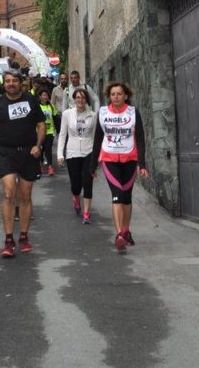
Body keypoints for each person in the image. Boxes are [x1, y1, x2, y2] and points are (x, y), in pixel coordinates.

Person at [0, 69, 45, 258]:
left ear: (20, 83)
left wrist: (38, 145)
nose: (10, 84)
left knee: (25, 195)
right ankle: (9, 239)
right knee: (9, 192)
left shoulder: (31, 100)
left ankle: (24, 236)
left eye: (14, 80)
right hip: (6, 152)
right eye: (7, 81)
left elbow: (41, 125)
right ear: (4, 83)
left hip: (28, 152)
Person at [91, 81, 149, 250]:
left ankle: (126, 230)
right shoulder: (102, 113)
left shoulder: (133, 112)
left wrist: (142, 163)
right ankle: (119, 235)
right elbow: (97, 139)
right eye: (113, 94)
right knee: (117, 195)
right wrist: (93, 164)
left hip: (129, 159)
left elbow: (140, 138)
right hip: (109, 160)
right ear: (109, 96)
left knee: (127, 197)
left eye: (119, 94)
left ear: (125, 96)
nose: (116, 97)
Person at [57, 87, 96, 223]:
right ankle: (75, 197)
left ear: (86, 100)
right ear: (74, 99)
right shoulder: (67, 114)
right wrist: (59, 154)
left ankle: (86, 214)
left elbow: (94, 136)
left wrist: (96, 157)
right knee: (76, 185)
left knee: (87, 182)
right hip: (72, 152)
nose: (80, 100)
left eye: (83, 98)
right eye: (78, 97)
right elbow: (62, 134)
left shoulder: (93, 115)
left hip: (88, 151)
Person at [38, 87, 57, 176]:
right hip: (39, 132)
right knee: (41, 149)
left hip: (50, 131)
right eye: (43, 95)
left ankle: (50, 167)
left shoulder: (51, 106)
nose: (45, 97)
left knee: (48, 148)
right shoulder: (37, 106)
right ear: (40, 97)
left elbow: (56, 117)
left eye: (46, 95)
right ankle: (40, 165)